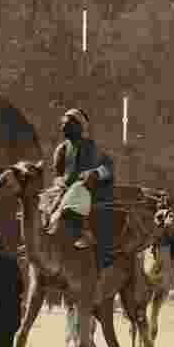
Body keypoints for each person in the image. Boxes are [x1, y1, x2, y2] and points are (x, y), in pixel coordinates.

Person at [50, 108, 114, 253]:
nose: (63, 128)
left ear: (79, 127)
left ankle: (86, 233)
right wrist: (59, 181)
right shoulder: (61, 150)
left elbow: (108, 167)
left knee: (76, 192)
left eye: (67, 124)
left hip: (86, 188)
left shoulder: (90, 147)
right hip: (64, 189)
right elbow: (58, 174)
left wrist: (95, 173)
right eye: (62, 124)